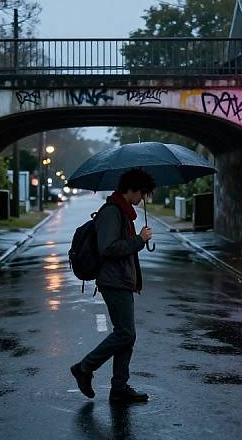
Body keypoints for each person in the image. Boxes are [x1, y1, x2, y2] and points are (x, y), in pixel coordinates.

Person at [71, 168, 155, 404]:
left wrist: (138, 239)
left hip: (122, 280)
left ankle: (119, 387)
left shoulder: (124, 212)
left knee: (127, 335)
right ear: (131, 190)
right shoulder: (112, 212)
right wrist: (139, 240)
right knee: (125, 333)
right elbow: (107, 248)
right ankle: (84, 368)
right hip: (113, 280)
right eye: (142, 193)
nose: (142, 199)